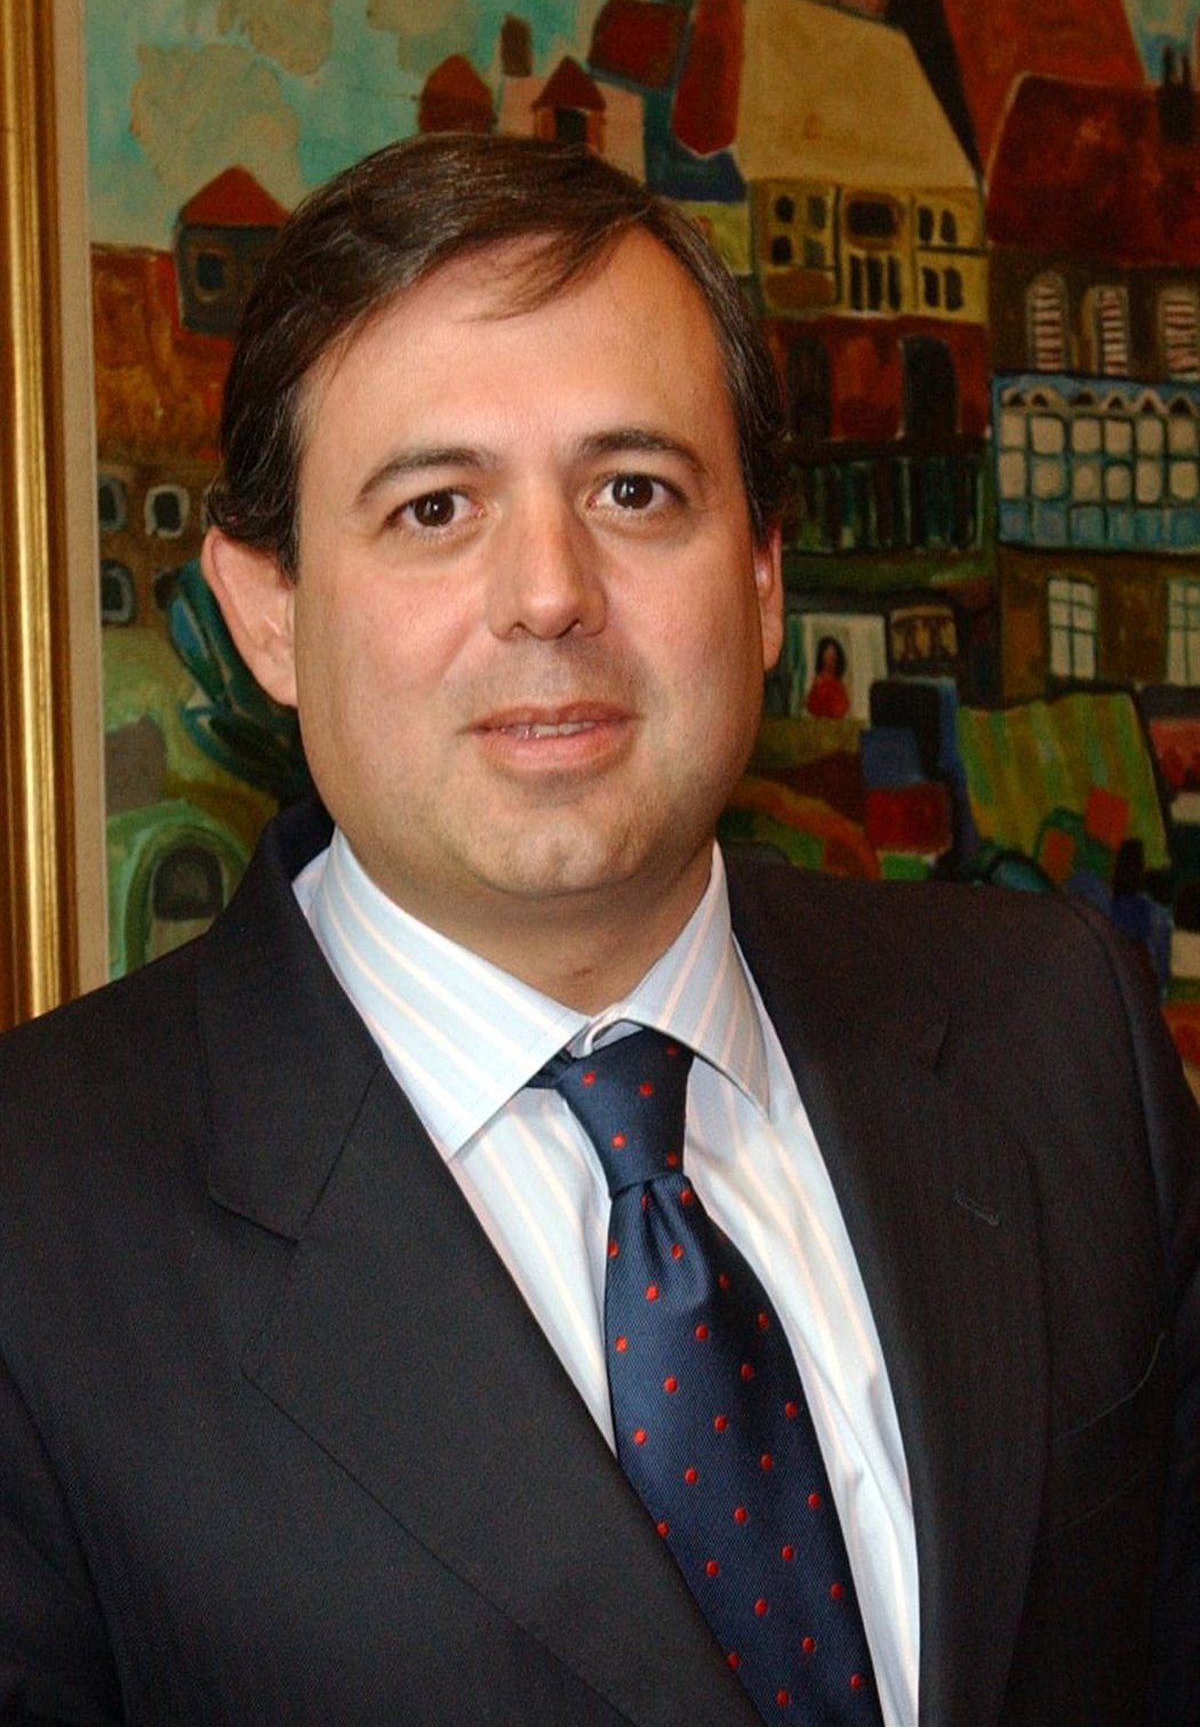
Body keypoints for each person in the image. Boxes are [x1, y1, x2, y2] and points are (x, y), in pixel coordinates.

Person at [1, 132, 1197, 1727]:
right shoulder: (37, 1227)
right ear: (269, 610)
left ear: (761, 575)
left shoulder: (1061, 1038)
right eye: (435, 507)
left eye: (635, 490)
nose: (551, 591)